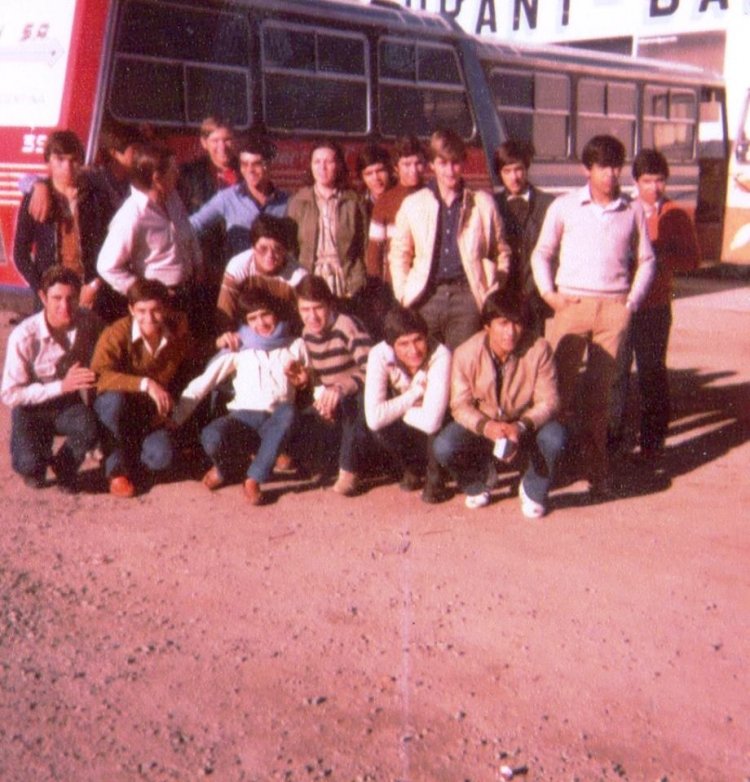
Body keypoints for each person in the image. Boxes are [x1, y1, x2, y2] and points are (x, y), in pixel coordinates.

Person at [531, 134, 656, 497]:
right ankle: (548, 470)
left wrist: (630, 304)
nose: (611, 174)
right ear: (587, 169)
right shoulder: (565, 206)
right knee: (557, 393)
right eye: (603, 167)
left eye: (616, 167)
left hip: (612, 311)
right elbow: (542, 253)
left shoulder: (632, 210)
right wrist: (550, 295)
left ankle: (596, 472)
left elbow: (647, 260)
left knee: (600, 398)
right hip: (571, 307)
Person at [172, 288, 311, 505]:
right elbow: (203, 384)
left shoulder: (295, 345)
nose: (261, 323)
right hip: (243, 420)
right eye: (252, 318)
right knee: (212, 436)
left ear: (276, 314)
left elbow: (314, 383)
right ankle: (226, 468)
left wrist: (304, 382)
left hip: (277, 422)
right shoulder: (239, 347)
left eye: (265, 314)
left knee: (288, 413)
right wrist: (176, 418)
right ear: (245, 322)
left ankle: (254, 478)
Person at [433, 289, 565, 517]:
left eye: (517, 323)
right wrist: (487, 426)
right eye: (503, 323)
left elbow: (549, 401)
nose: (511, 332)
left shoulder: (539, 349)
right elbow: (460, 405)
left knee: (555, 437)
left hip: (525, 423)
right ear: (487, 326)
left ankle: (533, 488)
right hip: (484, 424)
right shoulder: (466, 353)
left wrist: (520, 426)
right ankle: (478, 482)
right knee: (444, 446)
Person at [609, 149, 701, 458]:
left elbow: (692, 259)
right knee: (616, 373)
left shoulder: (676, 214)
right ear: (635, 182)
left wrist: (659, 258)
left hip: (655, 307)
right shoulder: (623, 209)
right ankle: (612, 437)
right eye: (647, 181)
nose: (654, 187)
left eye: (660, 180)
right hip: (622, 305)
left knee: (652, 373)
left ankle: (652, 441)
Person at [389, 128, 511, 351]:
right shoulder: (414, 204)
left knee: (462, 362)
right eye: (443, 163)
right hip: (426, 296)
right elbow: (399, 253)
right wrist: (404, 292)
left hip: (468, 298)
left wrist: (492, 290)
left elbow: (501, 252)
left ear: (463, 163)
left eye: (455, 163)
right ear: (432, 165)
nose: (450, 170)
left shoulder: (482, 203)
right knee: (426, 360)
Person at [91, 279, 195, 497]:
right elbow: (98, 376)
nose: (149, 318)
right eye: (141, 311)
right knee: (112, 401)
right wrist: (145, 384)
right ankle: (116, 471)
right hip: (120, 409)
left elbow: (191, 368)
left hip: (152, 415)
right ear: (131, 309)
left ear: (166, 308)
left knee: (161, 457)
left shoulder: (177, 332)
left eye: (156, 310)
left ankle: (129, 458)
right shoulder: (117, 333)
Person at [1, 266, 101, 493]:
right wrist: (61, 386)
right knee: (31, 468)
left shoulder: (88, 322)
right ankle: (36, 455)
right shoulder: (24, 336)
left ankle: (64, 466)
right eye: (56, 298)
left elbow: (110, 345)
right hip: (31, 409)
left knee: (88, 426)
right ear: (43, 297)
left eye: (71, 298)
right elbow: (10, 394)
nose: (64, 306)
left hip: (66, 405)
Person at [96, 143, 203, 323]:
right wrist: (140, 291)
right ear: (156, 178)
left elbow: (189, 232)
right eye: (173, 169)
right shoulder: (132, 215)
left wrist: (198, 263)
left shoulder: (173, 198)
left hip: (189, 292)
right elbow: (106, 266)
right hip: (160, 304)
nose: (177, 173)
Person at [13, 130, 114, 315]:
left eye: (73, 160)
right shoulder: (35, 198)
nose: (67, 167)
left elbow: (112, 247)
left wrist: (95, 285)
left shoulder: (97, 197)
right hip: (51, 295)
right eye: (60, 159)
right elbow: (20, 254)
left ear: (81, 162)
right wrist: (42, 290)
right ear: (48, 161)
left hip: (89, 293)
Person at [294, 275, 372, 496]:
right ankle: (324, 464)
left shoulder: (346, 325)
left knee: (352, 404)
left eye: (318, 308)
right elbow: (319, 377)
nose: (312, 316)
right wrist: (308, 381)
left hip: (356, 394)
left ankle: (349, 470)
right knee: (298, 419)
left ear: (329, 305)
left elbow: (372, 368)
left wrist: (341, 388)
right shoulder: (306, 334)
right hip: (331, 398)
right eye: (305, 309)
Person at [364, 306, 451, 503]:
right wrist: (414, 394)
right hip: (413, 412)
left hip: (435, 421)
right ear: (391, 345)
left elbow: (431, 422)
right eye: (403, 344)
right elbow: (374, 419)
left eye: (418, 340)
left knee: (438, 419)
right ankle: (411, 468)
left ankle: (435, 478)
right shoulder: (378, 354)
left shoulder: (441, 354)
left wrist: (392, 409)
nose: (413, 350)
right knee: (379, 427)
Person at [287, 140, 368, 301]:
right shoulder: (298, 201)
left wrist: (358, 278)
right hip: (309, 278)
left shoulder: (354, 201)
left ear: (339, 165)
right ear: (310, 166)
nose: (322, 167)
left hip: (347, 279)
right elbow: (290, 248)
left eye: (329, 161)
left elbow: (363, 244)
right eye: (317, 162)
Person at [189, 134, 289, 262]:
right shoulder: (227, 198)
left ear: (269, 165)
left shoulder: (287, 202)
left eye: (256, 164)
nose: (250, 170)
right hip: (238, 272)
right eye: (244, 164)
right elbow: (193, 225)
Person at [493, 140, 555, 338]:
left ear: (527, 168)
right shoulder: (492, 205)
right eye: (507, 171)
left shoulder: (548, 204)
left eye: (518, 169)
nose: (514, 177)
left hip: (536, 297)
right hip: (503, 297)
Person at [216, 214, 307, 336]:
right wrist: (226, 336)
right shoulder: (238, 266)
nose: (270, 255)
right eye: (263, 249)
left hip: (284, 334)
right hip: (245, 333)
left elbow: (305, 319)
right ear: (253, 247)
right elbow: (225, 312)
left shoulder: (299, 275)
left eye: (277, 249)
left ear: (285, 250)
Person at [365, 135, 427, 285]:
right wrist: (376, 287)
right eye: (406, 164)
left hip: (425, 282)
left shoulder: (432, 198)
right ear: (396, 168)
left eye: (418, 163)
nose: (413, 170)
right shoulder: (385, 201)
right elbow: (374, 253)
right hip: (393, 284)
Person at [356, 143, 394, 215]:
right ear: (362, 177)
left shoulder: (404, 200)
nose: (376, 178)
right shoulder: (358, 205)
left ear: (389, 170)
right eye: (369, 174)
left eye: (380, 170)